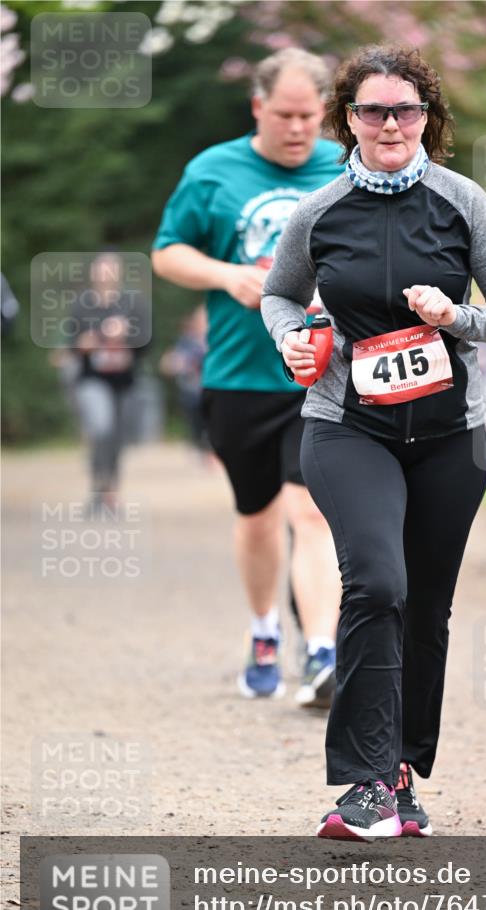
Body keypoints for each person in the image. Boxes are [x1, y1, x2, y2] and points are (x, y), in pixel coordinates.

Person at [262, 45, 486, 839]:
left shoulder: (462, 204)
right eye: (372, 110)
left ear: (428, 117)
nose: (389, 124)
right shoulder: (318, 213)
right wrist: (291, 339)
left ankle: (402, 772)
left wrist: (457, 320)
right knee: (376, 584)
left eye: (405, 110)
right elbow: (280, 297)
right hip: (347, 426)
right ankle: (360, 783)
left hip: (451, 437)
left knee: (424, 607)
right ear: (346, 119)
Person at [152, 49, 342, 705]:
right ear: (257, 106)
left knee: (312, 509)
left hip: (321, 376)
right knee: (258, 518)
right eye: (284, 114)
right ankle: (265, 630)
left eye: (309, 117)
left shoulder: (346, 167)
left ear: (326, 113)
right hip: (238, 373)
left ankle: (322, 654)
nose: (296, 129)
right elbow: (166, 253)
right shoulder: (213, 171)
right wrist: (225, 275)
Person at [69, 251, 149, 515]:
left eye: (110, 270)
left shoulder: (132, 304)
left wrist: (128, 338)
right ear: (93, 274)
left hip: (124, 381)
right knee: (101, 428)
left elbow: (149, 341)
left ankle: (110, 492)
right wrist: (88, 342)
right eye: (101, 270)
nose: (105, 276)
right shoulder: (81, 305)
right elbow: (72, 343)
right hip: (92, 379)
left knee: (116, 437)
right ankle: (97, 487)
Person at [159, 305, 210, 457]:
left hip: (213, 390)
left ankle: (208, 448)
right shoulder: (186, 341)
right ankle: (199, 445)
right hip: (192, 392)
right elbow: (168, 363)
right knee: (195, 419)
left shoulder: (219, 339)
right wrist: (175, 363)